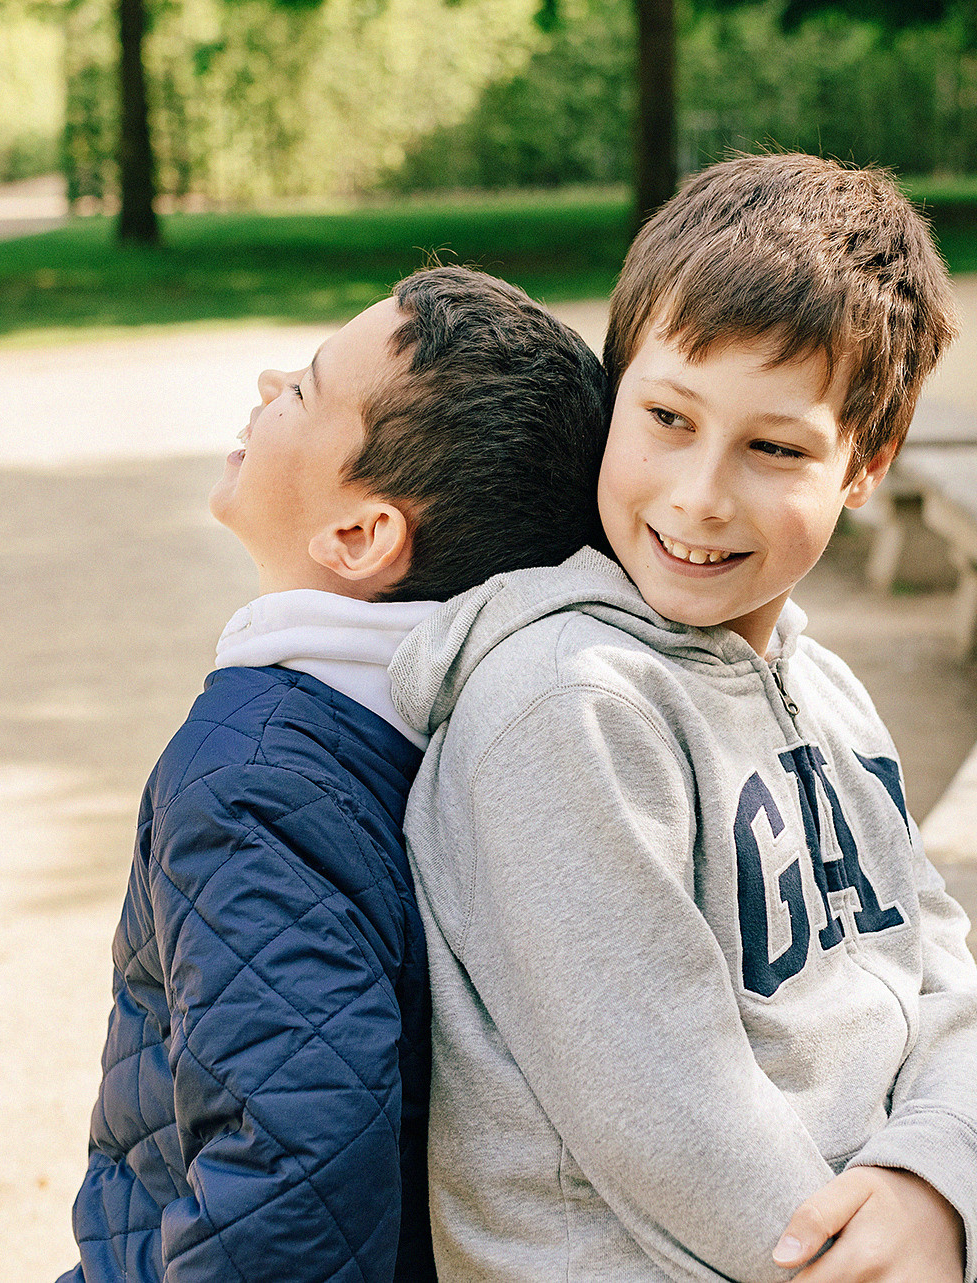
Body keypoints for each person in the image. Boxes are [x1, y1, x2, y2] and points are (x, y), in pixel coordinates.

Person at [390, 155, 977, 1283]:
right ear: (614, 398)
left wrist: (939, 1179)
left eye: (775, 448)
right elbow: (664, 1113)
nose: (699, 493)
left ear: (864, 465)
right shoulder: (568, 705)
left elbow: (936, 961)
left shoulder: (825, 692)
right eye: (665, 417)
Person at [60, 265, 610, 1283]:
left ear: (358, 536)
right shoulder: (494, 728)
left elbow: (294, 1180)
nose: (271, 379)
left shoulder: (250, 779)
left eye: (306, 387)